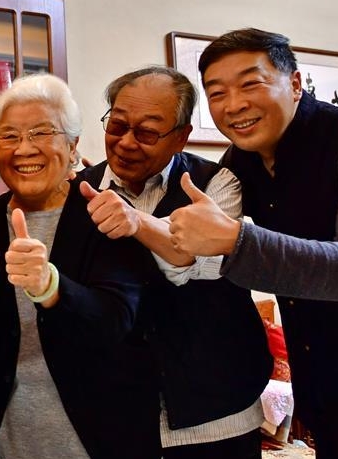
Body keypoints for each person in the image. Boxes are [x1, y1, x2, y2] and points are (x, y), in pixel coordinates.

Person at [168, 27, 338, 459]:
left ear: (295, 84)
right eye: (217, 93)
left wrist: (235, 239)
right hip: (332, 395)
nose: (233, 105)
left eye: (250, 84)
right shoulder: (243, 160)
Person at [0, 73, 157, 459]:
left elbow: (117, 321)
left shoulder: (106, 214)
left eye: (42, 133)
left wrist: (50, 287)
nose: (24, 149)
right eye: (9, 136)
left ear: (73, 147)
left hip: (104, 441)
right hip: (7, 441)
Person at [78, 66, 271, 459]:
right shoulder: (80, 191)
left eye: (147, 132)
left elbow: (202, 262)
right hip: (117, 417)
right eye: (117, 126)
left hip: (218, 414)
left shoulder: (216, 184)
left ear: (181, 137)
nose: (126, 143)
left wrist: (136, 222)